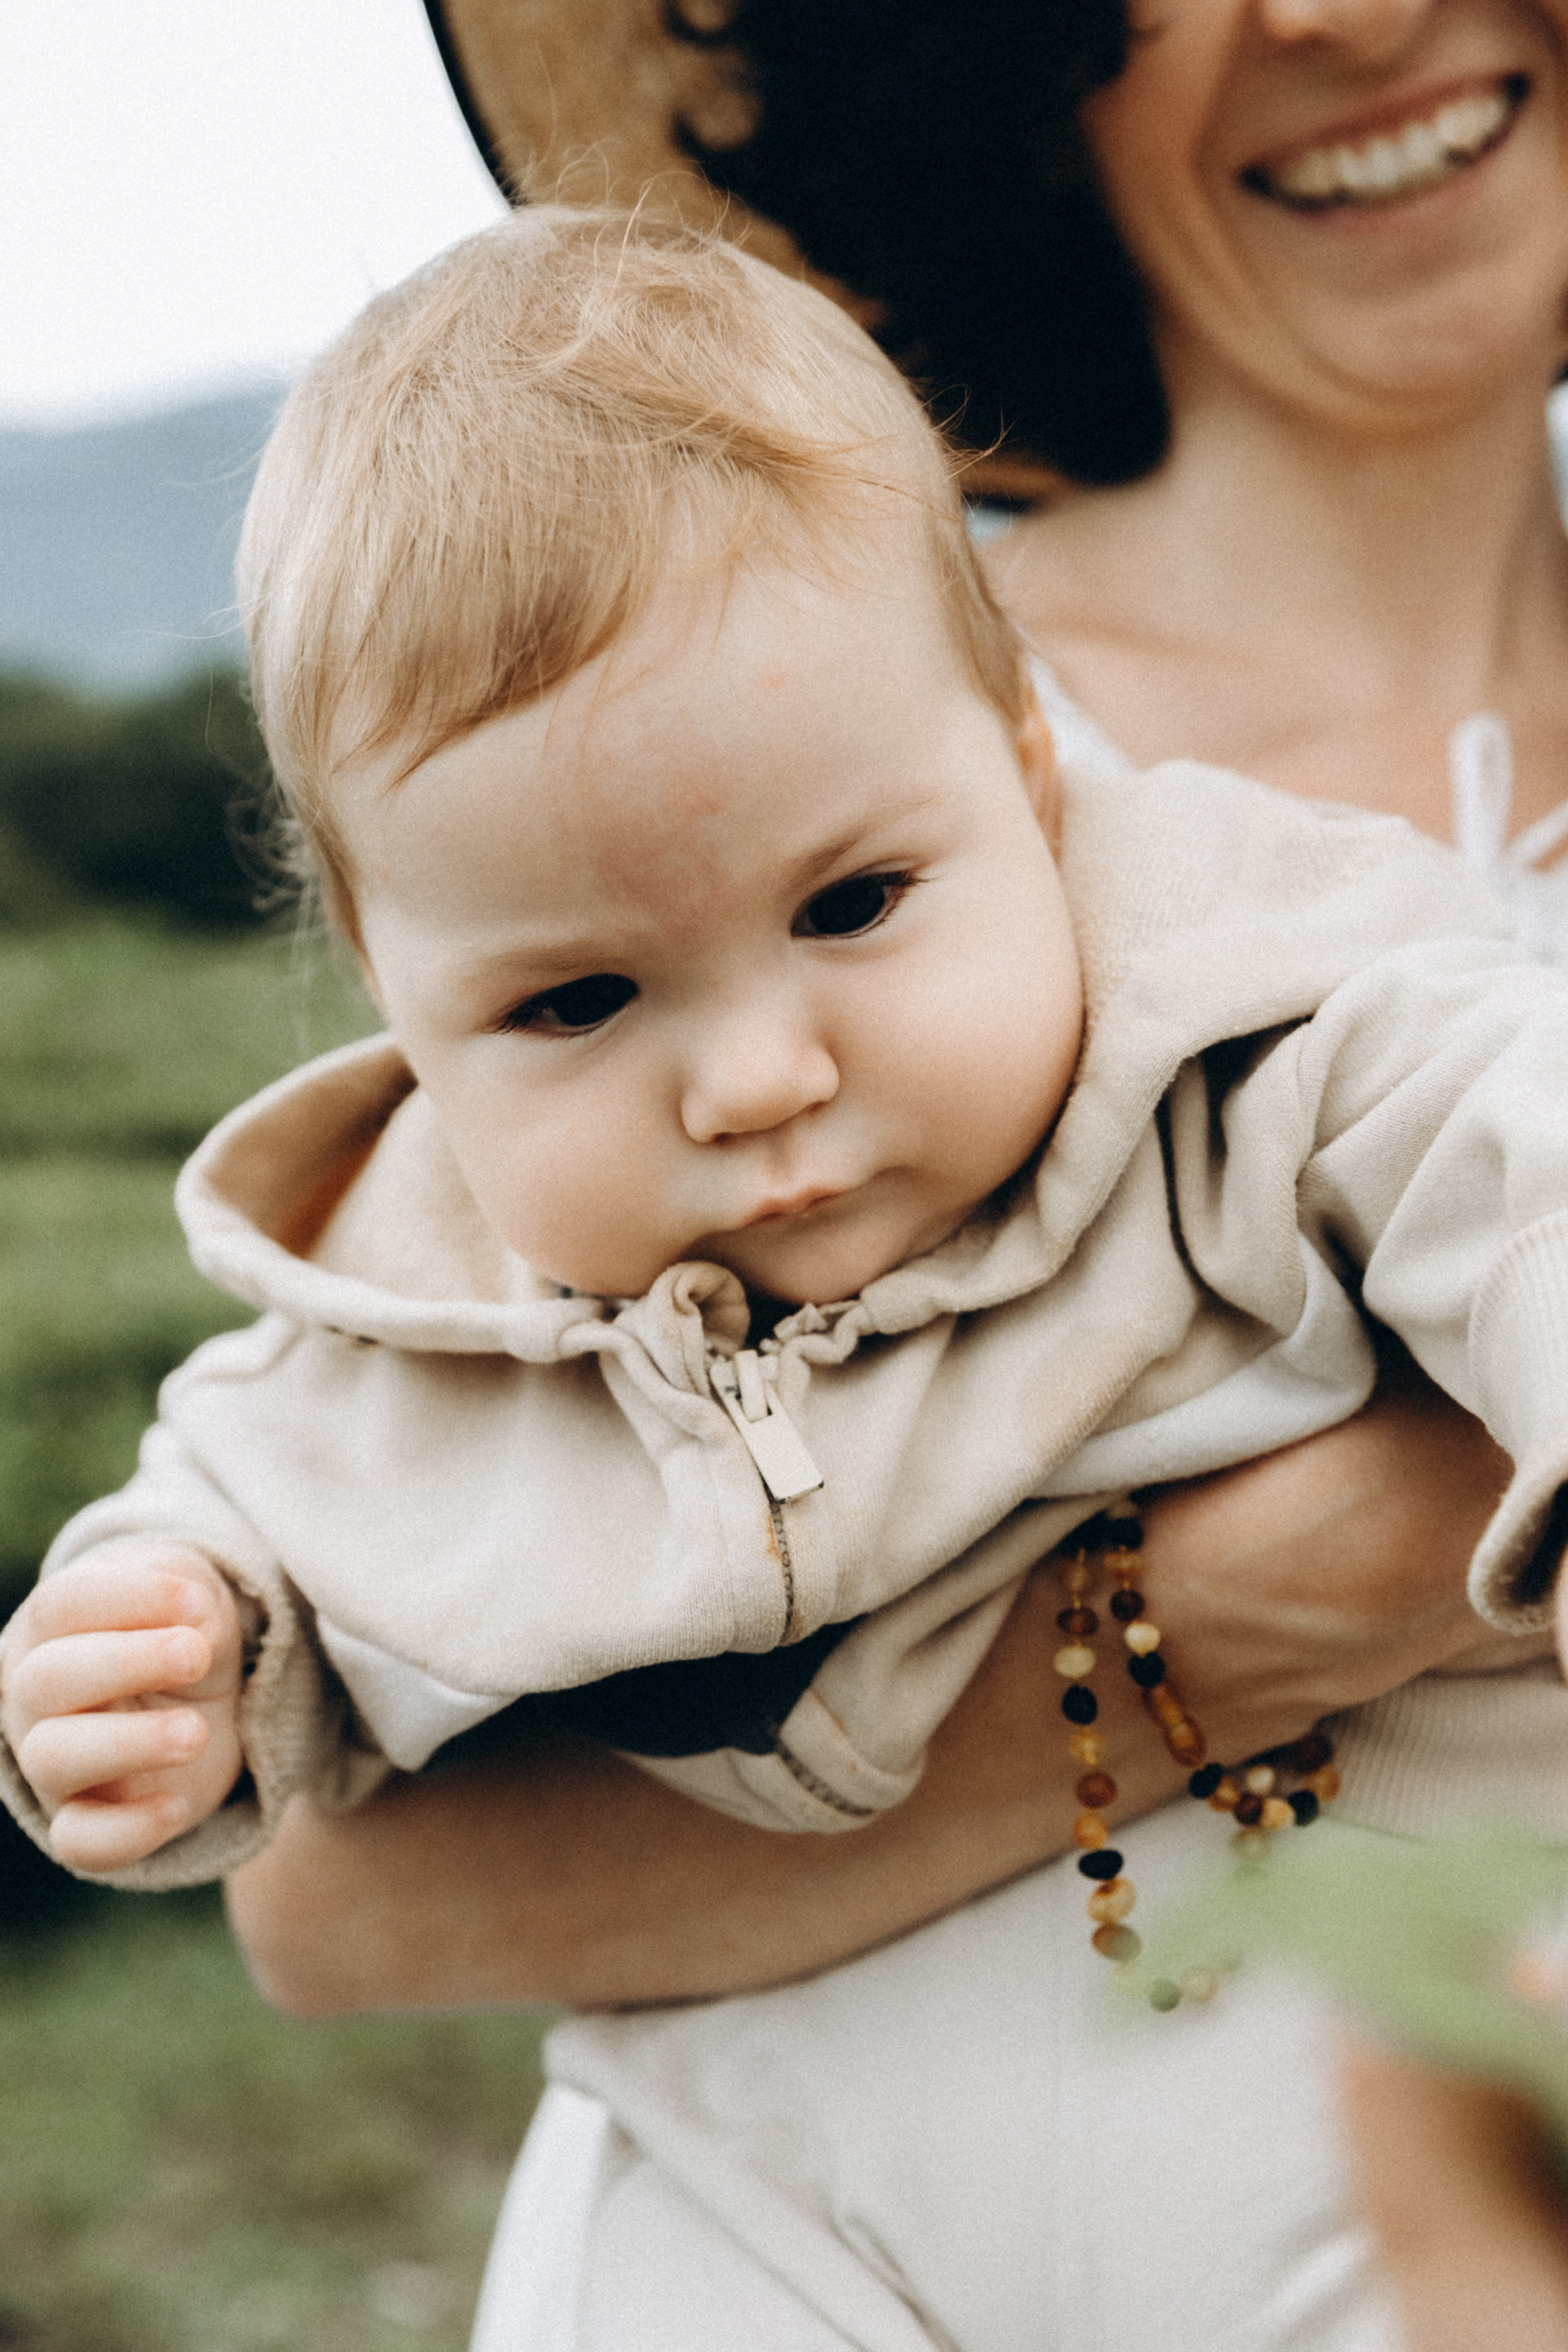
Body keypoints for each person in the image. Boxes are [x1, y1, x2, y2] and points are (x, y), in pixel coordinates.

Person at [3, 197, 1568, 2349]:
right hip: (774, 2164)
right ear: (397, 997)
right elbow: (254, 1510)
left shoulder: (1251, 1028)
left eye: (851, 908)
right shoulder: (425, 1300)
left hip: (1366, 2046)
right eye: (573, 1003)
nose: (751, 1081)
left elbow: (1520, 1150)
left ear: (1033, 773)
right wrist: (175, 1653)